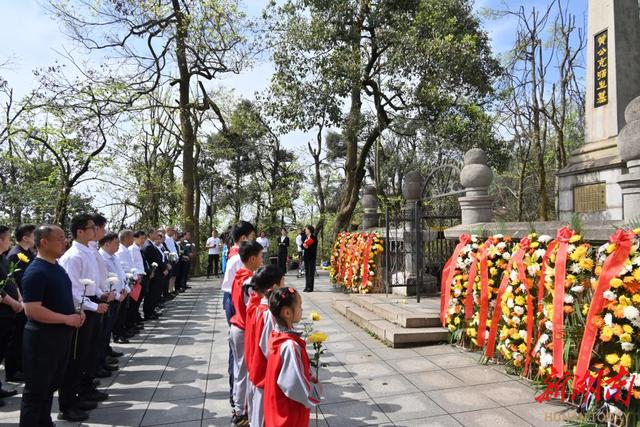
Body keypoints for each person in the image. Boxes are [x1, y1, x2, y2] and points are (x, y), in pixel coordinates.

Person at [19, 225, 85, 427]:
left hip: (59, 339)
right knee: (36, 391)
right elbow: (32, 310)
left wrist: (75, 310)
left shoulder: (56, 267)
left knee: (50, 386)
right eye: (60, 238)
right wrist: (66, 319)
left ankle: (44, 422)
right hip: (42, 340)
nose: (64, 242)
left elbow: (58, 298)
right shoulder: (36, 271)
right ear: (44, 242)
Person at [58, 214, 110, 422]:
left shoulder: (88, 251)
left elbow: (95, 279)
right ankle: (68, 403)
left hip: (92, 303)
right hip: (82, 308)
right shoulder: (73, 256)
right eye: (91, 228)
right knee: (75, 357)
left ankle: (84, 389)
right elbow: (73, 291)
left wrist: (101, 294)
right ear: (80, 231)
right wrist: (93, 306)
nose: (95, 231)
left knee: (88, 353)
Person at [263, 287, 320, 427]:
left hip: (276, 405)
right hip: (288, 411)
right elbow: (294, 384)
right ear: (287, 312)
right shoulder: (289, 345)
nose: (301, 309)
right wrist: (314, 391)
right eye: (299, 306)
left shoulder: (276, 335)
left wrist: (307, 373)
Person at [220, 220, 256, 410]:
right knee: (238, 350)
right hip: (234, 302)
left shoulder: (237, 253)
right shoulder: (239, 257)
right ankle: (237, 396)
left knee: (237, 350)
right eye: (252, 237)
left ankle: (237, 394)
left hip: (232, 299)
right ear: (243, 238)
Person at [229, 240, 263, 426]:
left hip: (237, 327)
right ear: (252, 259)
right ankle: (241, 411)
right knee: (243, 371)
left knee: (239, 369)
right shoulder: (249, 281)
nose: (262, 259)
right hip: (243, 329)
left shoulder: (240, 275)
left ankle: (240, 407)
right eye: (261, 256)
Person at [246, 265, 284, 427]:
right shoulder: (268, 313)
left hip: (257, 369)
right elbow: (269, 348)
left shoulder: (257, 306)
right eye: (283, 282)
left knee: (257, 415)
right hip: (264, 373)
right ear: (275, 287)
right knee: (262, 417)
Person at [6, 224, 36, 383]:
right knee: (16, 337)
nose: (36, 239)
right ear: (25, 237)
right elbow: (15, 281)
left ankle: (22, 367)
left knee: (23, 337)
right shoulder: (15, 255)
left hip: (28, 301)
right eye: (33, 235)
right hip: (19, 302)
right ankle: (13, 370)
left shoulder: (28, 253)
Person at [0, 225, 22, 404]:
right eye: (8, 237)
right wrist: (14, 303)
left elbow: (11, 281)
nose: (10, 241)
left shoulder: (4, 259)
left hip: (9, 314)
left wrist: (19, 299)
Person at [142, 229, 168, 321]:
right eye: (155, 233)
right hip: (155, 273)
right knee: (152, 294)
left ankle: (152, 310)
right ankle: (148, 313)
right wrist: (164, 267)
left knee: (156, 293)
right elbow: (155, 260)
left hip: (158, 272)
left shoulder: (152, 244)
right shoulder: (148, 246)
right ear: (150, 234)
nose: (157, 234)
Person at [302, 225, 318, 293]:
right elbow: (301, 246)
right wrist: (303, 246)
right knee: (306, 272)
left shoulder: (314, 238)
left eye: (307, 229)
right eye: (305, 229)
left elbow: (314, 248)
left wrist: (307, 247)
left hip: (312, 257)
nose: (305, 230)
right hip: (306, 256)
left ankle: (310, 287)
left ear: (310, 230)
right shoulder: (304, 237)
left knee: (311, 272)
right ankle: (306, 286)